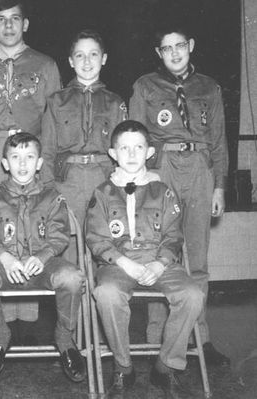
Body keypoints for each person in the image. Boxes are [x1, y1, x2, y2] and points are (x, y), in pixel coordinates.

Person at [129, 25, 230, 366]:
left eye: (180, 46)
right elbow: (135, 137)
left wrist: (219, 186)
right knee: (163, 255)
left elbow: (218, 141)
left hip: (200, 169)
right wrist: (145, 183)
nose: (174, 53)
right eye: (166, 48)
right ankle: (158, 337)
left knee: (198, 259)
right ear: (158, 53)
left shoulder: (209, 87)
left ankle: (201, 338)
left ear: (191, 46)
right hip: (162, 168)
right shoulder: (145, 86)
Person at [0, 0, 62, 341]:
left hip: (29, 152)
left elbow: (52, 120)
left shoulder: (45, 64)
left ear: (26, 23)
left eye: (15, 19)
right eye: (1, 20)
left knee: (32, 221)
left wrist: (45, 165)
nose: (8, 26)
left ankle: (29, 314)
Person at [85, 120, 204, 399]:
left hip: (158, 262)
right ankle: (123, 367)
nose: (131, 154)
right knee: (106, 293)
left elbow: (174, 235)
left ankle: (166, 366)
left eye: (138, 147)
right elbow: (96, 238)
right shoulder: (102, 193)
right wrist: (125, 263)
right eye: (124, 148)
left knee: (192, 294)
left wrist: (158, 263)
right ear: (113, 153)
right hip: (118, 264)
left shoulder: (163, 191)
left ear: (150, 151)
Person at [0, 132, 86, 384]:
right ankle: (0, 334)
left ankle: (65, 337)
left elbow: (59, 235)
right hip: (5, 267)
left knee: (72, 277)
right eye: (15, 157)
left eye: (29, 157)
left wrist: (43, 257)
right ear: (5, 164)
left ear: (40, 163)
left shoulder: (53, 197)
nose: (22, 165)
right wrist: (5, 258)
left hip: (43, 266)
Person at [41, 29, 127, 227]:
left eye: (93, 54)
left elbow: (123, 150)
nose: (87, 62)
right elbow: (47, 150)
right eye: (80, 55)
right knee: (67, 241)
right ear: (71, 61)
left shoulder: (115, 102)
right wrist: (47, 189)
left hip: (104, 180)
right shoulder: (56, 102)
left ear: (104, 58)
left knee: (106, 239)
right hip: (67, 182)